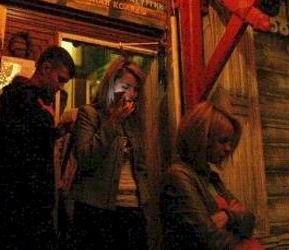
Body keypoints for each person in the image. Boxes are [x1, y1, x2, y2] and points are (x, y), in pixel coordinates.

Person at [0, 45, 76, 250]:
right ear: (45, 68)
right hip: (23, 201)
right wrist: (46, 120)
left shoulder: (31, 99)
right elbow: (22, 148)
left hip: (29, 200)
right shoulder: (24, 98)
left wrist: (56, 132)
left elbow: (33, 141)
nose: (61, 86)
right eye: (60, 79)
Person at [68, 57, 150, 249]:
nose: (131, 94)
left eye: (136, 89)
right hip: (97, 208)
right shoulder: (90, 114)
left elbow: (141, 166)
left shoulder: (133, 121)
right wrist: (112, 122)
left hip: (132, 208)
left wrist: (144, 198)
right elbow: (85, 159)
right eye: (126, 87)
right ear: (111, 85)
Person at [160, 101, 263, 250]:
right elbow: (208, 239)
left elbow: (249, 220)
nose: (228, 148)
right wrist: (232, 215)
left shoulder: (212, 178)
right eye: (222, 141)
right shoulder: (178, 177)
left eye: (230, 142)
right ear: (200, 138)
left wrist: (225, 216)